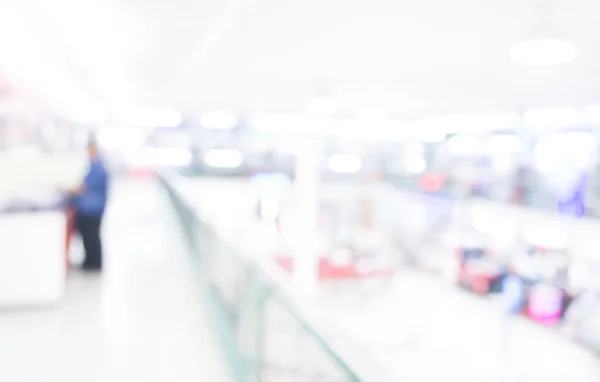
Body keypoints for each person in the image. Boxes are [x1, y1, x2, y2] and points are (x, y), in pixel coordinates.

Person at [71, 140, 109, 271]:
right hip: (91, 208)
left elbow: (84, 187)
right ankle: (89, 262)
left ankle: (94, 264)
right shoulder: (94, 166)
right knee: (89, 237)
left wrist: (69, 189)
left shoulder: (97, 167)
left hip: (92, 209)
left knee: (92, 236)